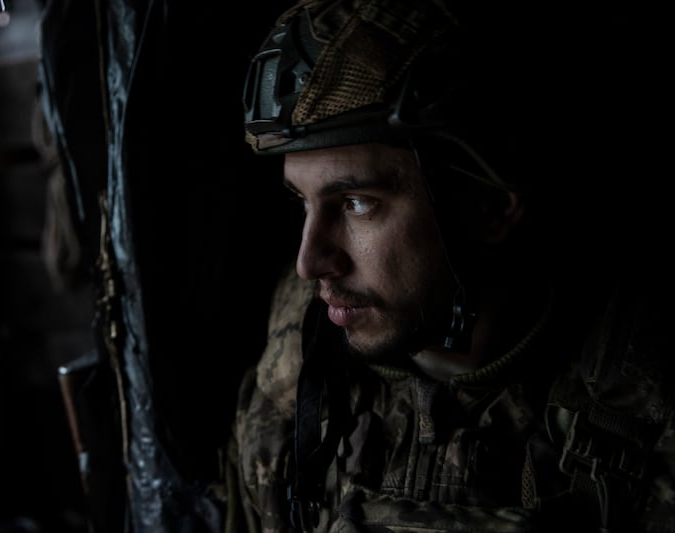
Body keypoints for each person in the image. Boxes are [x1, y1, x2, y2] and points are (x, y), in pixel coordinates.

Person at [221, 0, 675, 532]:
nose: (310, 263)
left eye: (357, 203)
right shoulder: (293, 353)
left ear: (491, 208)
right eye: (302, 200)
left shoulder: (640, 408)